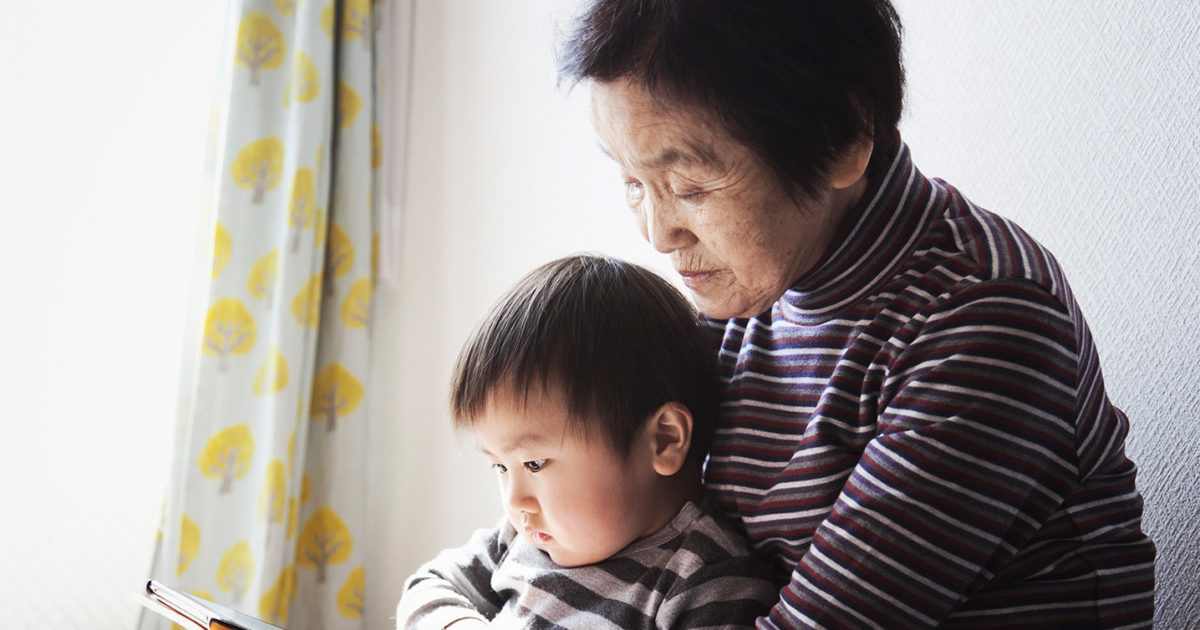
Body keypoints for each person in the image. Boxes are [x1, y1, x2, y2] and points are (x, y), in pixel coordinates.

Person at [559, 1, 1156, 628]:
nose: (659, 234)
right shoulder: (746, 286)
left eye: (690, 188)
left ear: (840, 137)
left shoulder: (984, 319)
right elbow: (574, 519)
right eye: (632, 182)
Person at [396, 254, 778, 629]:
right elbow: (427, 586)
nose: (515, 502)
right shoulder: (520, 538)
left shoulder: (705, 584)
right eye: (500, 466)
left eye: (534, 464)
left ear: (664, 440)